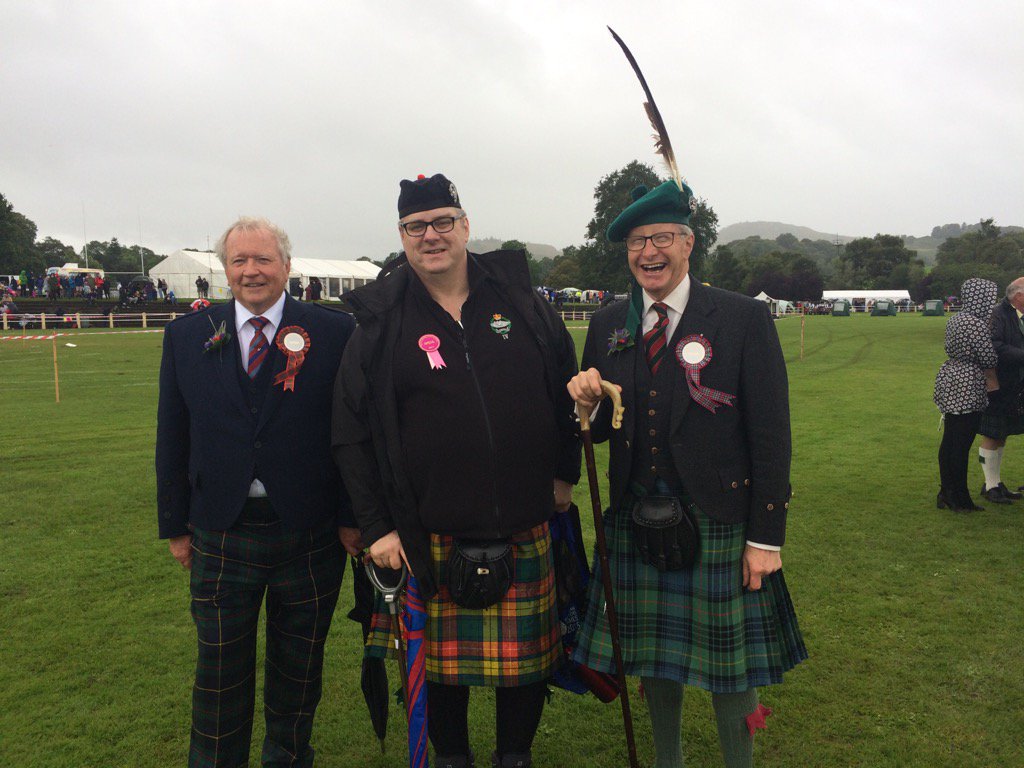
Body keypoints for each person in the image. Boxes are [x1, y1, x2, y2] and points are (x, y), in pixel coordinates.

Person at [332, 173, 581, 768]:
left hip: (522, 522)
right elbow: (350, 432)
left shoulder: (523, 304)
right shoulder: (381, 320)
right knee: (440, 671)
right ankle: (452, 759)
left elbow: (564, 392)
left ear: (465, 226)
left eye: (443, 221)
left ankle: (514, 757)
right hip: (426, 532)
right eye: (416, 226)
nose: (431, 235)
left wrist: (563, 474)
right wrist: (377, 527)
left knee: (525, 669)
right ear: (402, 236)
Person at [566, 181, 807, 768]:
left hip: (719, 517)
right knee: (652, 661)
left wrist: (766, 538)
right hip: (634, 517)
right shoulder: (609, 323)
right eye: (636, 242)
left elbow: (771, 435)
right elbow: (599, 430)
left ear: (688, 243)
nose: (648, 252)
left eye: (661, 238)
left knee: (733, 671)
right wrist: (584, 404)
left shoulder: (742, 317)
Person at [156, 216, 359, 767]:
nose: (251, 271)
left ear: (286, 267)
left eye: (263, 259)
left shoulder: (335, 332)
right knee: (219, 674)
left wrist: (350, 516)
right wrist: (175, 526)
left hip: (310, 532)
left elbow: (352, 432)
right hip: (221, 531)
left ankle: (287, 758)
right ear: (225, 270)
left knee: (299, 672)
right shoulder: (187, 335)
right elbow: (173, 434)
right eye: (239, 260)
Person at [934, 278, 999, 511]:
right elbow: (988, 358)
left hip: (951, 377)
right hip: (968, 382)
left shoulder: (956, 318)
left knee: (950, 440)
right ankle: (959, 497)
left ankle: (946, 491)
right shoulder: (976, 324)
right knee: (961, 443)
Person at [977, 277, 1024, 504]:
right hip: (1000, 383)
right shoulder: (998, 314)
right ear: (1019, 296)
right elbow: (994, 345)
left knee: (1002, 434)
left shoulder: (1017, 314)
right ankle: (990, 486)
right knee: (992, 434)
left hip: (1018, 385)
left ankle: (995, 482)